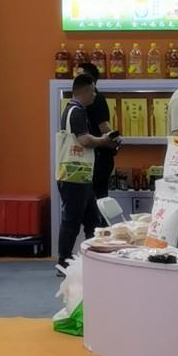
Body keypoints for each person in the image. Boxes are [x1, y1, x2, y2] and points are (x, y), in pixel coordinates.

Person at [55, 74, 116, 270]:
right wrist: (104, 140)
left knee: (92, 219)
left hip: (80, 175)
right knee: (72, 220)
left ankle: (93, 257)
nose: (95, 95)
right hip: (74, 176)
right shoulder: (77, 112)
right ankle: (63, 260)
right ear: (87, 90)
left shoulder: (72, 110)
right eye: (93, 91)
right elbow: (84, 140)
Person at [76, 62, 118, 200]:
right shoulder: (80, 102)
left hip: (99, 158)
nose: (75, 79)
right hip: (90, 156)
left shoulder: (96, 99)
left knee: (98, 199)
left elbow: (104, 127)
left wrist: (112, 141)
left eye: (79, 75)